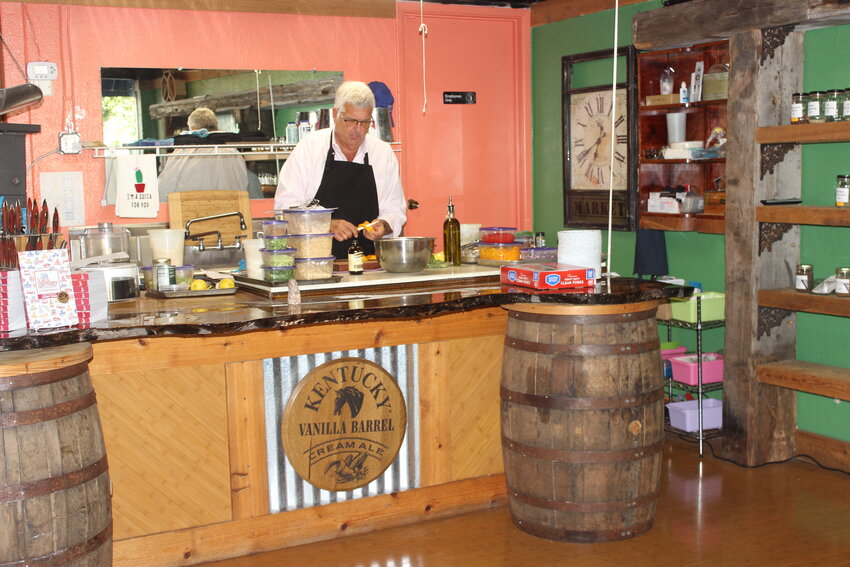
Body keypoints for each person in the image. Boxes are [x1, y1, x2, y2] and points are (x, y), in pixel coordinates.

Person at [274, 81, 406, 259]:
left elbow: (395, 209)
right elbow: (286, 208)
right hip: (315, 263)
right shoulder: (310, 148)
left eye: (365, 122)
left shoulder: (383, 153)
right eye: (351, 121)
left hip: (369, 263)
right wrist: (326, 224)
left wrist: (384, 225)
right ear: (336, 113)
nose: (357, 130)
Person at [157, 107, 263, 201]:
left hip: (192, 213)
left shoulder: (183, 152)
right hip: (231, 213)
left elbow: (164, 188)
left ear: (192, 128)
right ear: (216, 126)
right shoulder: (232, 151)